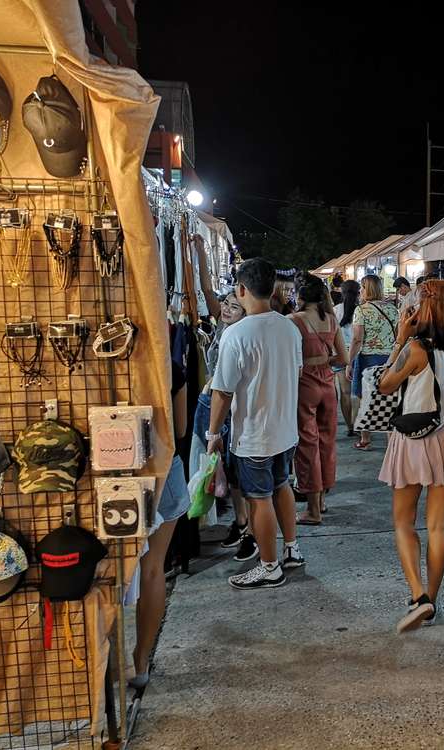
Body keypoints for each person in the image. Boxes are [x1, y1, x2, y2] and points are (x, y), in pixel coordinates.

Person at [377, 279, 444, 632]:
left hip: (413, 439)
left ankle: (420, 597)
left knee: (403, 521)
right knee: (438, 525)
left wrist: (401, 337)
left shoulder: (416, 348)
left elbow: (385, 384)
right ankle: (432, 598)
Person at [207, 258, 306, 590]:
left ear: (242, 289)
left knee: (258, 498)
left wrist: (212, 434)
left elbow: (222, 392)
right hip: (285, 430)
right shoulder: (290, 327)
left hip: (254, 434)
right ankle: (291, 550)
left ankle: (269, 566)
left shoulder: (237, 334)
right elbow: (298, 372)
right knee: (282, 487)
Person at [131, 353, 192, 688]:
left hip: (107, 475)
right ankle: (140, 660)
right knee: (152, 566)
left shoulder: (94, 370)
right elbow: (180, 428)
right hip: (162, 471)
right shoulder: (167, 364)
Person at [191, 293, 257, 561]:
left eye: (235, 307)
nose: (227, 310)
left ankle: (249, 530)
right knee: (224, 470)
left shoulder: (242, 336)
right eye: (226, 305)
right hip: (209, 401)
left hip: (226, 406)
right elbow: (207, 290)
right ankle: (241, 522)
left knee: (238, 471)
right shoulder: (222, 329)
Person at [291, 275, 348, 525]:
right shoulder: (332, 320)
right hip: (328, 385)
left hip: (305, 386)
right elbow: (343, 359)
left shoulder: (293, 321)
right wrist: (324, 362)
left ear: (300, 296)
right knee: (326, 442)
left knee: (307, 446)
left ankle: (313, 510)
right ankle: (323, 501)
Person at [346, 274, 399, 451]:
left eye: (362, 287)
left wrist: (349, 362)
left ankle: (365, 439)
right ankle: (391, 441)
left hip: (368, 359)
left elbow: (356, 340)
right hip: (390, 359)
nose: (360, 290)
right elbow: (399, 336)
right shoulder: (392, 308)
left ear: (366, 289)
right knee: (387, 399)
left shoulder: (361, 310)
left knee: (365, 400)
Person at [334, 280, 360, 437]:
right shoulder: (362, 310)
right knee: (358, 392)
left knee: (345, 392)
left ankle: (350, 426)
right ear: (358, 292)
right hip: (358, 353)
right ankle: (359, 425)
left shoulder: (335, 310)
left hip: (341, 353)